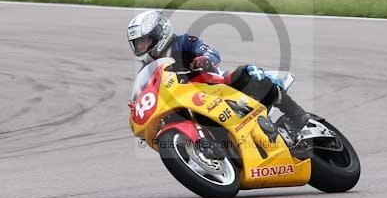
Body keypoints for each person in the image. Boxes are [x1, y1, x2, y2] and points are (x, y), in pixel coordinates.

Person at [127, 9, 310, 146]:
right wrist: (137, 106)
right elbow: (147, 93)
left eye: (145, 41)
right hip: (188, 102)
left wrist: (205, 59)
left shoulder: (182, 42)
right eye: (138, 44)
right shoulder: (148, 71)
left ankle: (296, 115)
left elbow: (211, 52)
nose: (141, 47)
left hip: (216, 85)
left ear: (160, 33)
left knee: (248, 72)